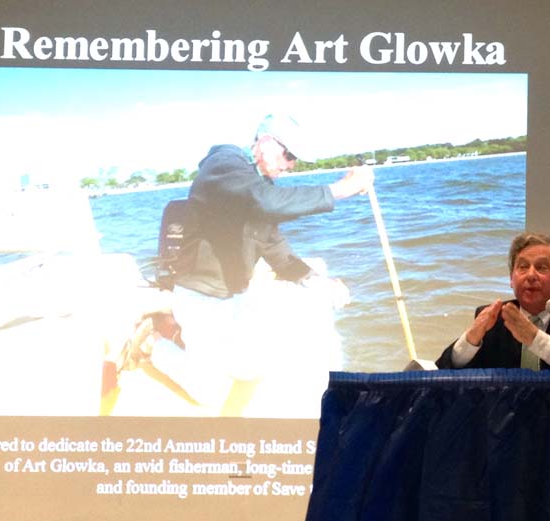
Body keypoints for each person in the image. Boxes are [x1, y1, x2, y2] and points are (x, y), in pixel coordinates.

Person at [139, 113, 374, 413]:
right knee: (211, 396)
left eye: (295, 160)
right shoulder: (224, 164)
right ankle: (155, 341)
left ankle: (177, 333)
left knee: (250, 371)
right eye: (288, 155)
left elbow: (275, 249)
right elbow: (267, 201)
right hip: (200, 296)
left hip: (235, 296)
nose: (290, 165)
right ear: (265, 142)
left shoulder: (255, 187)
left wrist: (319, 282)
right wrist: (342, 189)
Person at [435, 232, 550, 370]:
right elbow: (443, 372)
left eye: (541, 267)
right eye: (522, 267)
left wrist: (535, 339)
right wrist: (470, 340)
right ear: (511, 279)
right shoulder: (495, 320)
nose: (531, 275)